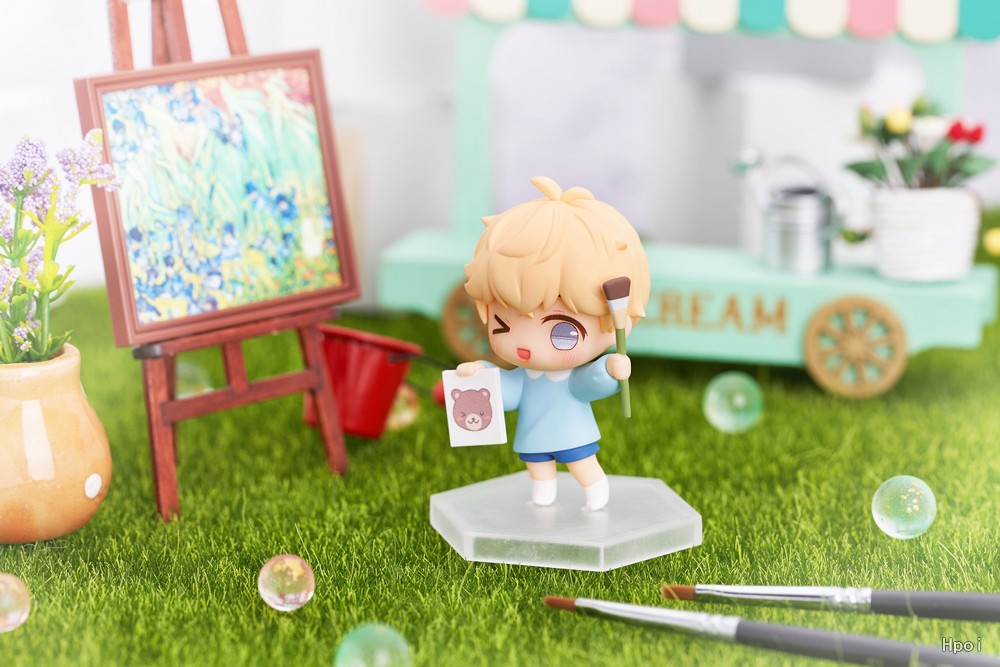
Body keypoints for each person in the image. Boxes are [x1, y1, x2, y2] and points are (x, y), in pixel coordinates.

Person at [455, 176, 650, 510]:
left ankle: (595, 489)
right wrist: (479, 376)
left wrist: (609, 370)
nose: (525, 345)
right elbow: (508, 391)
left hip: (573, 432)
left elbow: (585, 385)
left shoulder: (569, 378)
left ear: (615, 325)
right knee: (538, 469)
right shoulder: (525, 376)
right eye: (502, 325)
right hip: (533, 435)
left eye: (563, 333)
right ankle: (543, 496)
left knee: (582, 464)